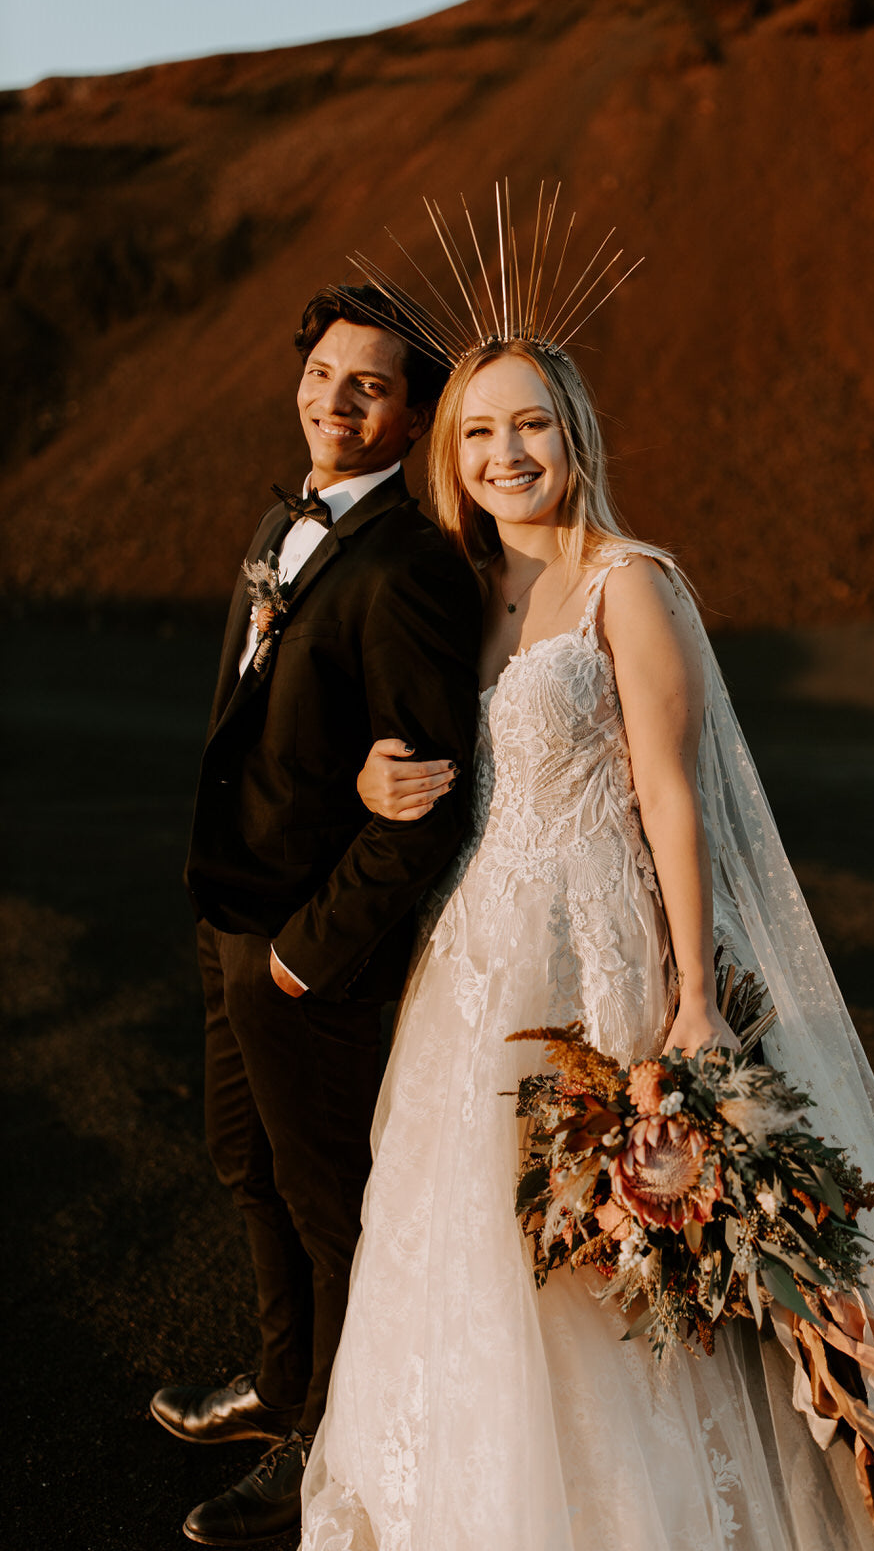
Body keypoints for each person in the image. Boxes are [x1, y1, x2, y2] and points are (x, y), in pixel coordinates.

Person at [299, 317, 874, 1548]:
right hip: (474, 961)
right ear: (451, 450)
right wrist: (364, 786)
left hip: (596, 955)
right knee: (463, 1230)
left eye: (531, 423)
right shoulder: (456, 589)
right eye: (480, 430)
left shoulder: (628, 581)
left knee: (611, 1241)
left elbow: (672, 794)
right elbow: (419, 751)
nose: (507, 453)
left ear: (577, 434)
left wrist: (692, 995)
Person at [151, 284, 482, 1545]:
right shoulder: (282, 515)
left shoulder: (406, 569)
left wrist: (305, 953)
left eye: (370, 386)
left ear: (410, 422)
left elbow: (428, 798)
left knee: (330, 1200)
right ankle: (283, 1379)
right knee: (247, 1164)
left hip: (306, 949)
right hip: (227, 910)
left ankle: (325, 1447)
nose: (334, 399)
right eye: (323, 373)